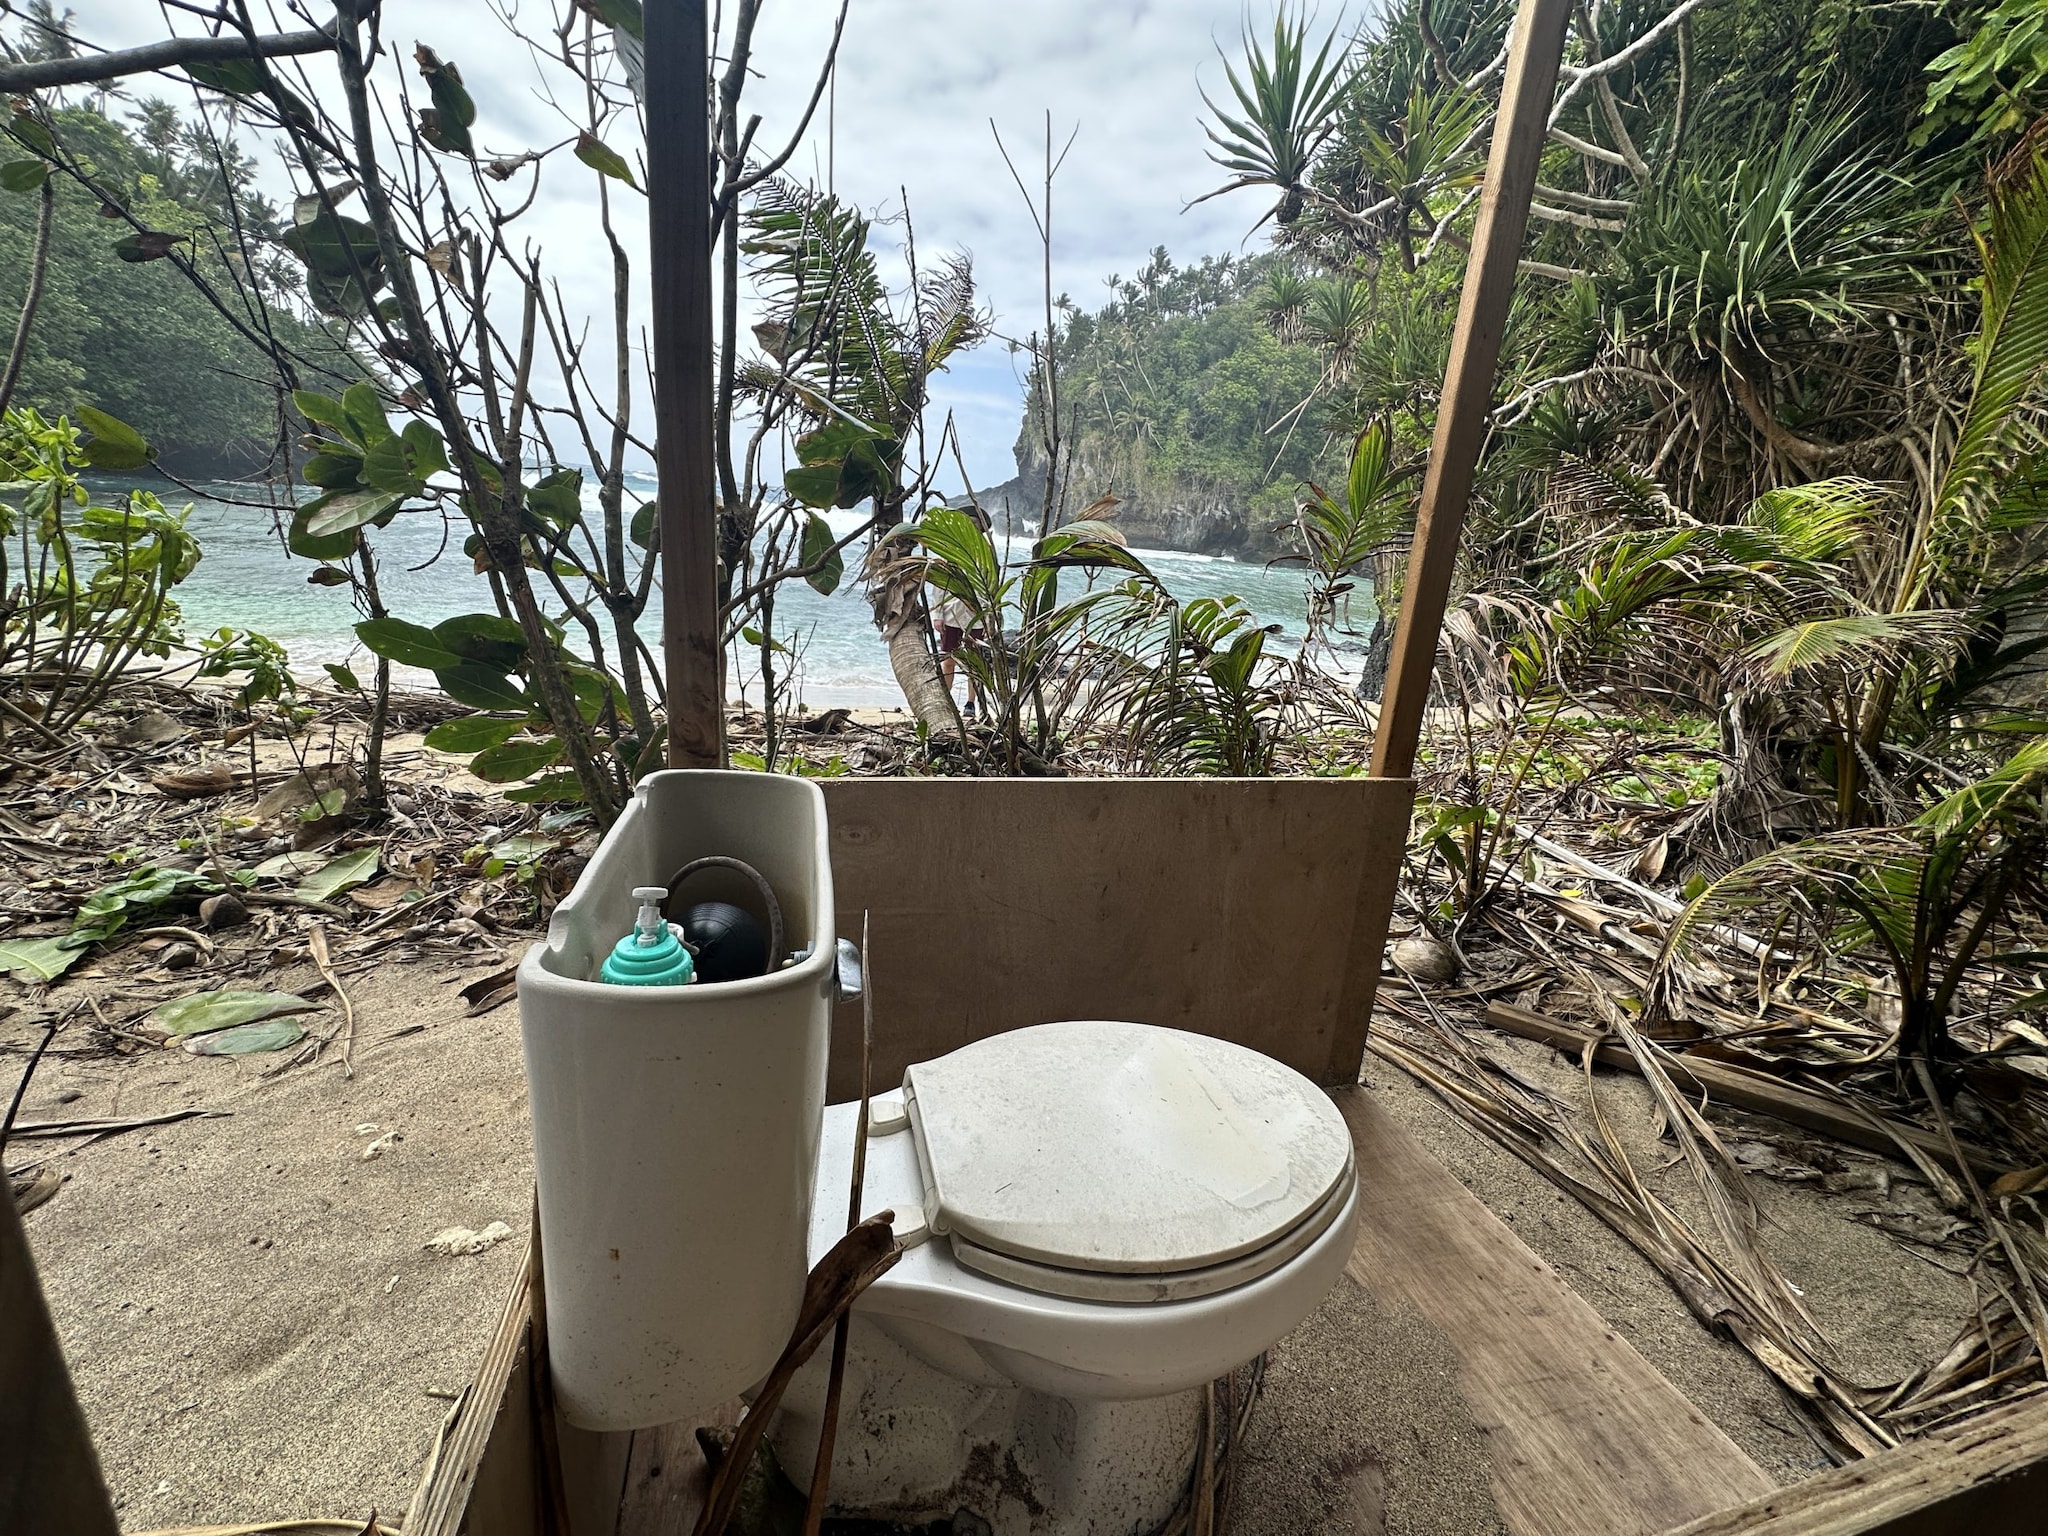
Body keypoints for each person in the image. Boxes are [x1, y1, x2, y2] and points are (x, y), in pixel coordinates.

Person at [932, 591, 983, 720]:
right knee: (948, 661)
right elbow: (938, 590)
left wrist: (989, 619)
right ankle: (946, 701)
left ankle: (970, 703)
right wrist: (937, 615)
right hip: (951, 617)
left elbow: (989, 589)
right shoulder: (947, 569)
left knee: (973, 664)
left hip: (976, 619)